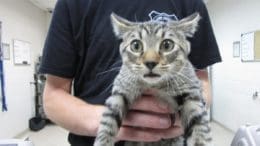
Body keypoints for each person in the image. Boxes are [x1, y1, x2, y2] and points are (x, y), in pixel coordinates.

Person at [40, 0, 221, 145]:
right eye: (136, 46)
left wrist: (194, 110)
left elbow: (202, 80)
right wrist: (108, 122)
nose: (151, 60)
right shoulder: (72, 4)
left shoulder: (191, 3)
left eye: (166, 45)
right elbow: (52, 96)